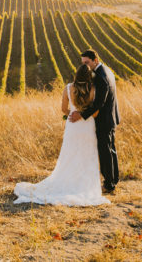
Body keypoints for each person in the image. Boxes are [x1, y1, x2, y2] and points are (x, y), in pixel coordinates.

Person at [13, 63, 110, 206]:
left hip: (72, 126)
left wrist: (72, 114)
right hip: (88, 126)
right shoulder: (93, 89)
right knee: (87, 156)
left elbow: (63, 108)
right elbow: (95, 112)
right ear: (90, 76)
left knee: (69, 156)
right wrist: (83, 114)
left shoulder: (68, 88)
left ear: (76, 75)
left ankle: (68, 182)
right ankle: (84, 186)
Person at [69, 49, 120, 194]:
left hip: (104, 119)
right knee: (111, 150)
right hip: (111, 117)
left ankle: (109, 185)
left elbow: (99, 103)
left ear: (95, 60)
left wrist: (81, 114)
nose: (85, 66)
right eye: (83, 63)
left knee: (105, 152)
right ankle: (114, 179)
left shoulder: (100, 77)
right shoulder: (107, 70)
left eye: (87, 62)